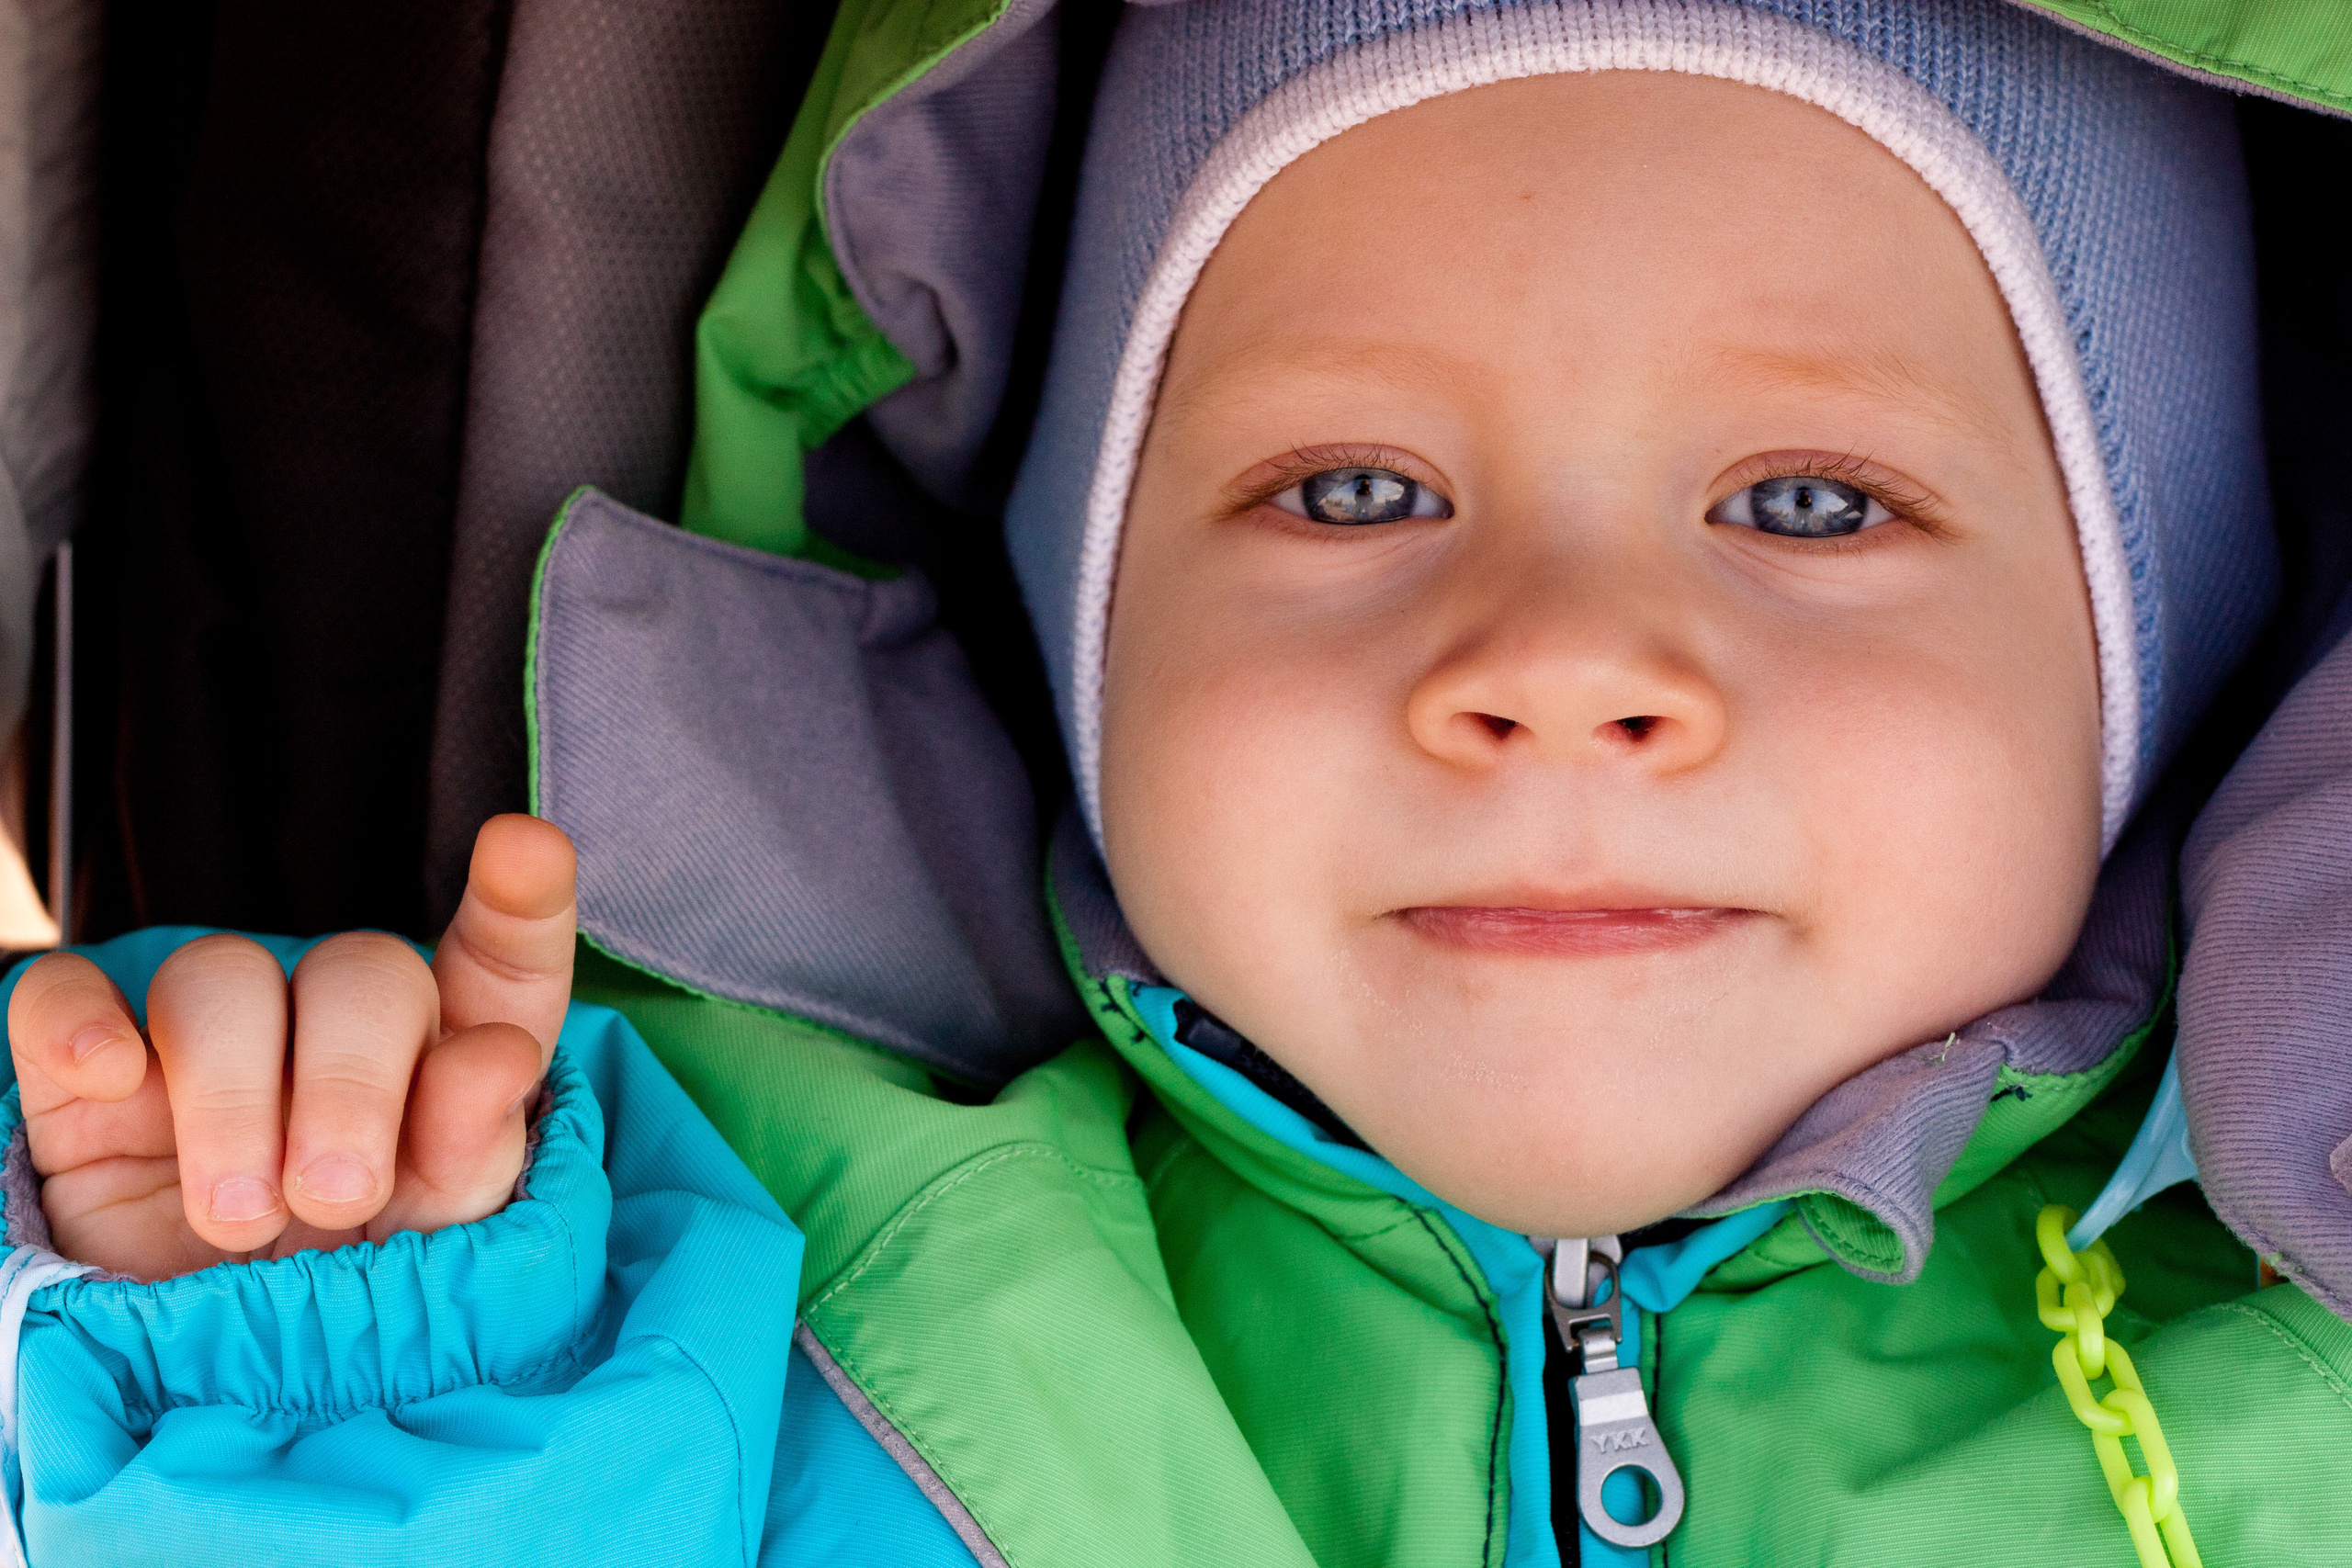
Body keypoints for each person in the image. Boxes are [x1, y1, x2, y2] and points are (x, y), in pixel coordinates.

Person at [5, 0, 2349, 1563]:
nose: (1548, 671)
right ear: (1073, 629)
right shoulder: (720, 1322)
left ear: (2155, 667)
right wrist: (348, 1382)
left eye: (1810, 506)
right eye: (1347, 493)